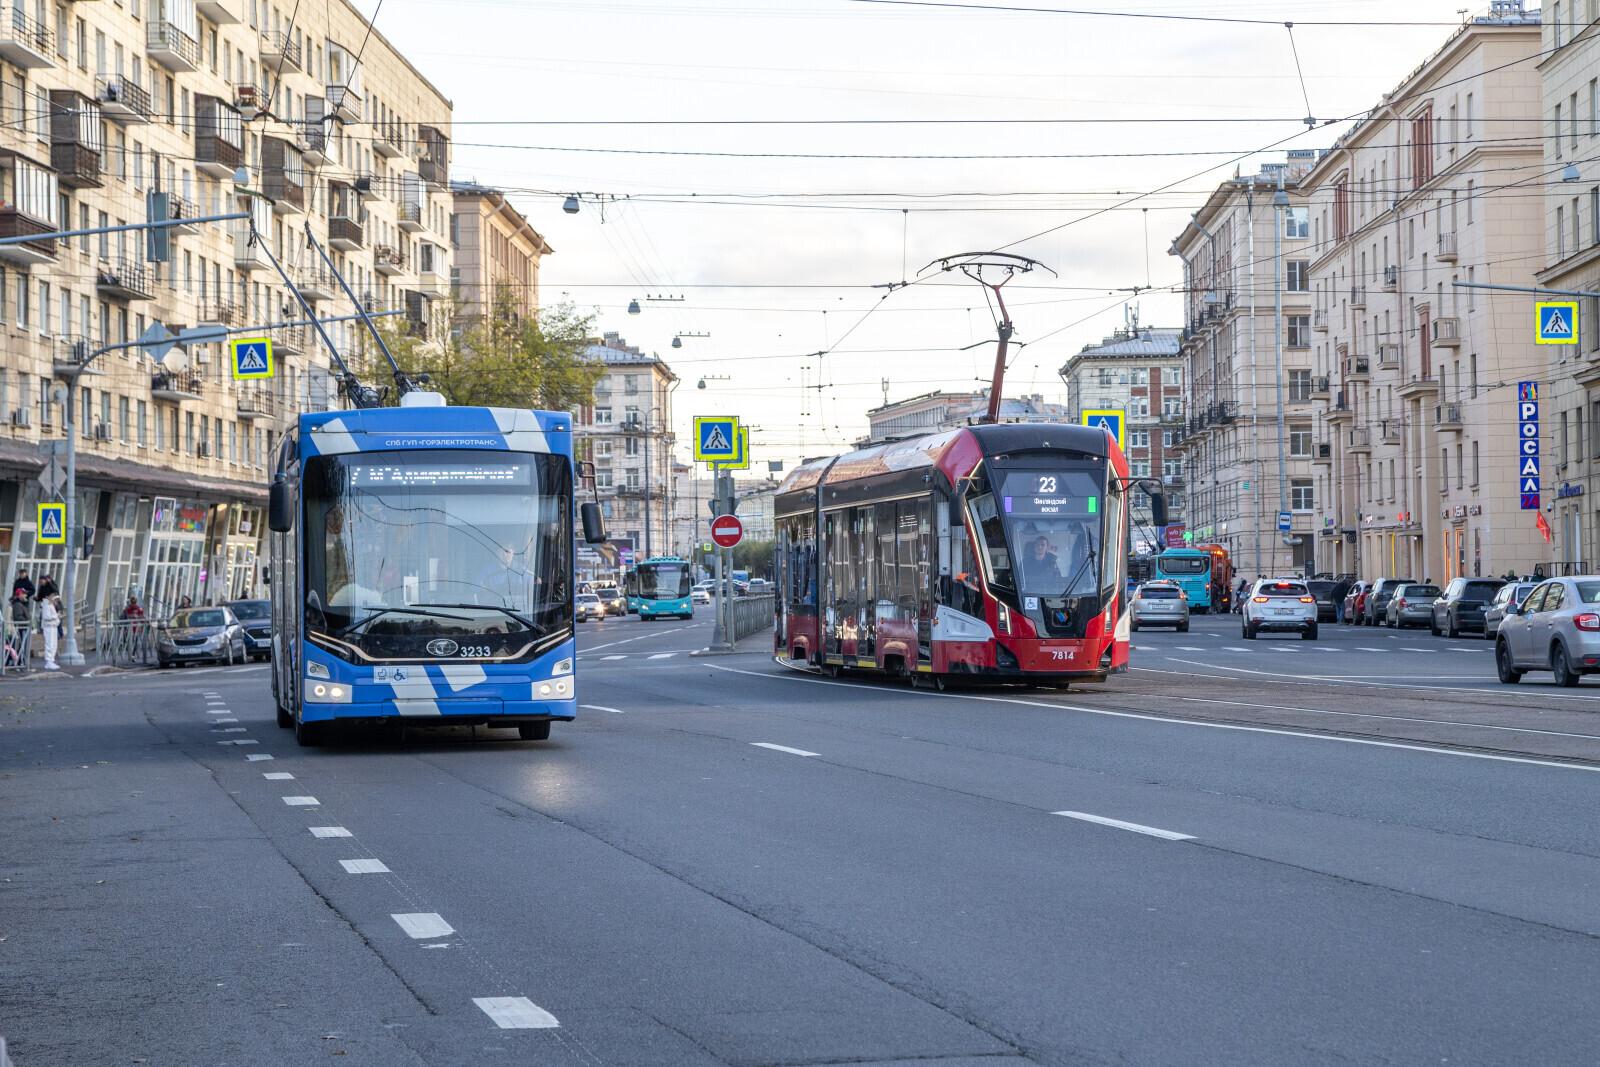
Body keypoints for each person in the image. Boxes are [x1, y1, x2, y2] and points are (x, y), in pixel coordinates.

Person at [38, 590, 60, 670]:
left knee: (54, 644)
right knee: (49, 644)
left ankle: (51, 660)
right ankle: (49, 661)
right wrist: (56, 616)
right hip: (49, 627)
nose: (53, 597)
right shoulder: (46, 605)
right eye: (52, 596)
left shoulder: (51, 605)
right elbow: (46, 617)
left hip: (53, 626)